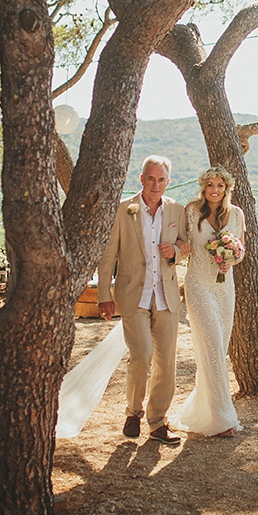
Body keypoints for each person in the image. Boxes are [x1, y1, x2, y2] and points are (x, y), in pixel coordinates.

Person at [97, 156, 185, 445]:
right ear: (142, 178)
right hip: (133, 295)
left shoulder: (176, 210)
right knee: (142, 354)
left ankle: (158, 422)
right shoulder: (124, 210)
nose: (155, 184)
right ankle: (132, 413)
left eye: (161, 179)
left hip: (166, 296)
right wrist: (103, 296)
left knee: (166, 362)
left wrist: (175, 251)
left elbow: (187, 245)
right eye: (151, 178)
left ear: (167, 182)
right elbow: (108, 255)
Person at [172, 166, 246, 438]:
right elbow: (181, 240)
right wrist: (180, 248)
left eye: (220, 185)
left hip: (225, 288)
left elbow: (242, 249)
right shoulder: (191, 211)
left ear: (227, 188)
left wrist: (231, 260)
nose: (215, 190)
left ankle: (203, 409)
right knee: (213, 346)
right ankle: (222, 418)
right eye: (210, 185)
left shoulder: (236, 213)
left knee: (217, 350)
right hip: (198, 285)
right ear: (203, 187)